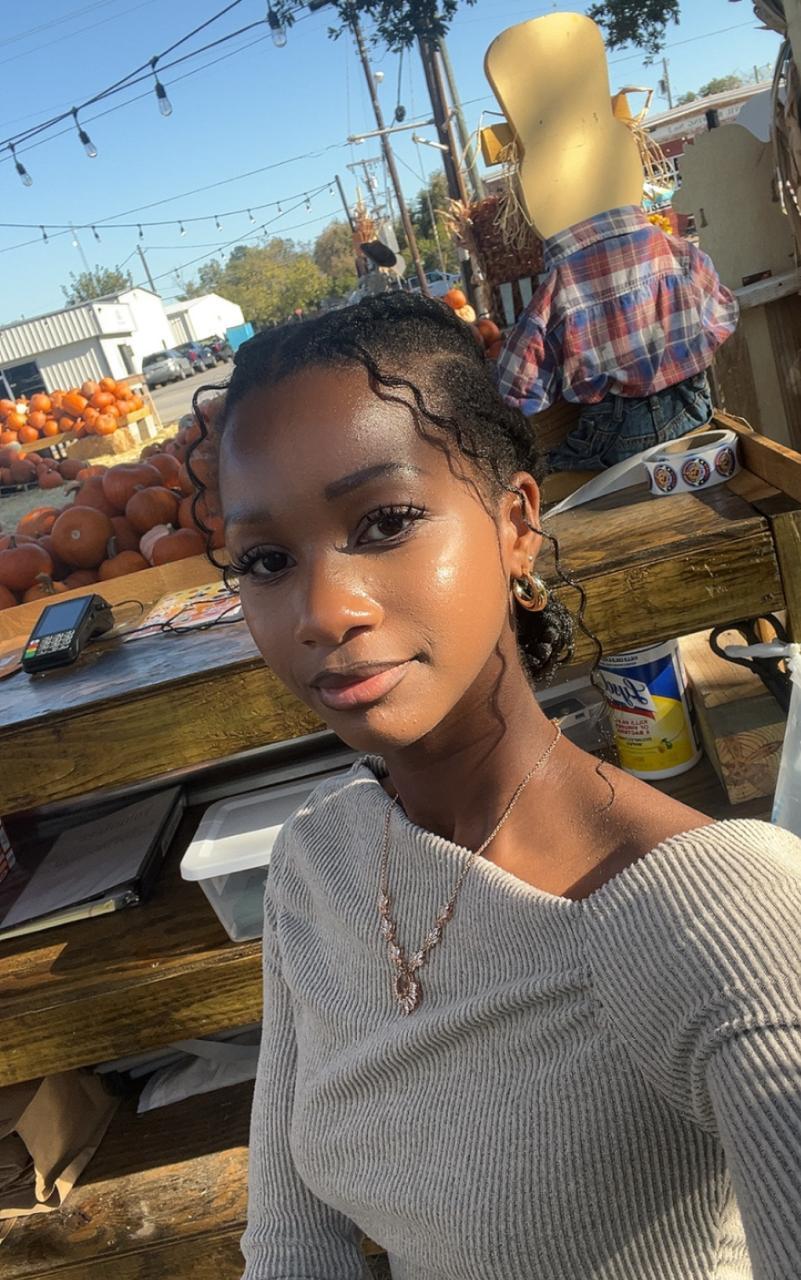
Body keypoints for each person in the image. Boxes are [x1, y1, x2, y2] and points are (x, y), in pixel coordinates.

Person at [193, 292, 801, 1280]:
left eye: (386, 522)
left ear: (516, 524)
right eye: (266, 559)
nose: (323, 610)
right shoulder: (319, 862)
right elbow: (293, 1239)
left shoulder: (718, 917)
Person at [495, 205, 739, 471]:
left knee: (548, 471)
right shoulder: (677, 253)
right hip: (692, 408)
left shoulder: (559, 288)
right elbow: (723, 316)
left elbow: (516, 388)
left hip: (614, 434)